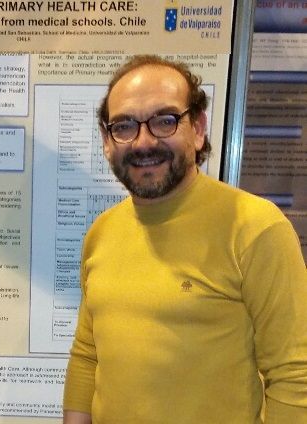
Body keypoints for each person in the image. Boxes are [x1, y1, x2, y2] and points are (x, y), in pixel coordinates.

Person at [63, 55, 307, 423]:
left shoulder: (256, 228)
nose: (144, 142)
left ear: (197, 128)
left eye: (165, 121)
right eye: (124, 126)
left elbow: (295, 374)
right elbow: (87, 354)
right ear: (107, 141)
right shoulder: (102, 232)